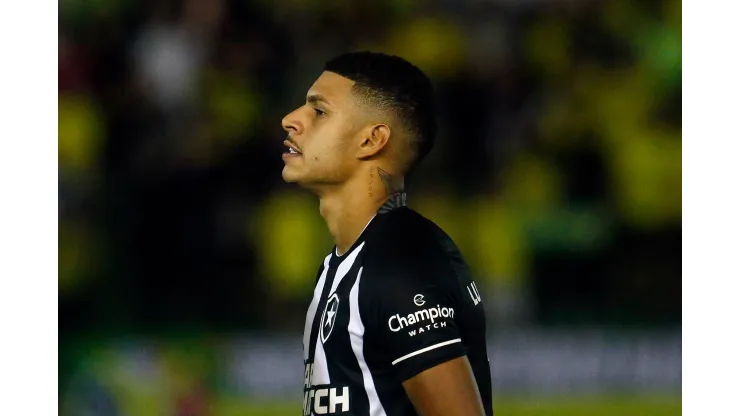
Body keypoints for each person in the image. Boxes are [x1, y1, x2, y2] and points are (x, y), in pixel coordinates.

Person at [281, 51, 493, 416]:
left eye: (319, 111)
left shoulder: (400, 263)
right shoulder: (345, 263)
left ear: (372, 140)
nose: (290, 120)